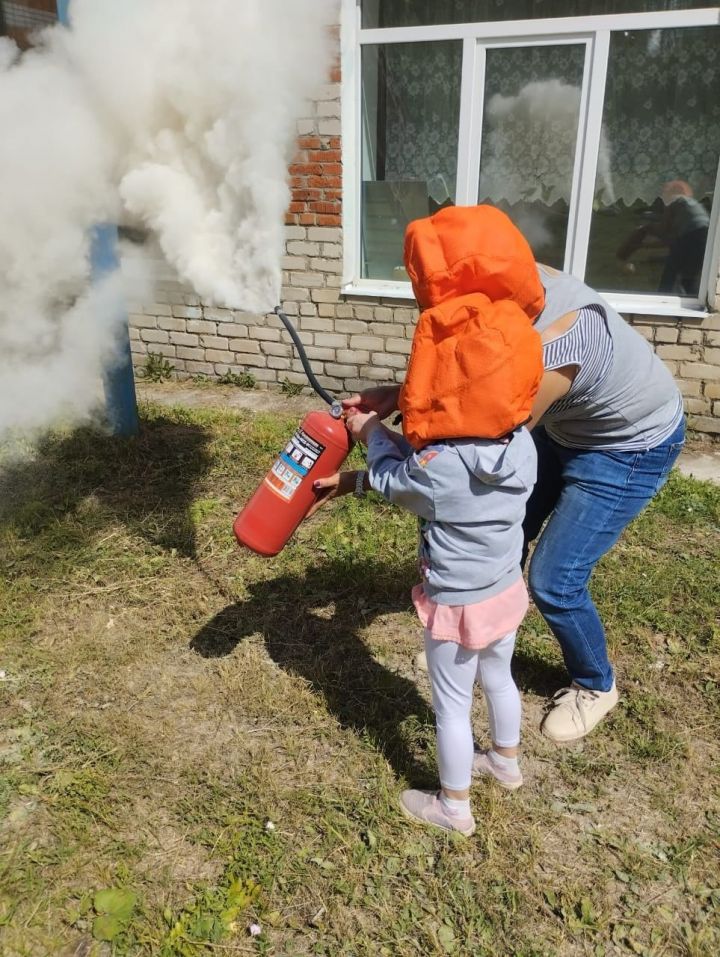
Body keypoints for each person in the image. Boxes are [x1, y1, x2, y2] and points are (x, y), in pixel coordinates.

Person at [314, 204, 686, 744]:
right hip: (559, 426)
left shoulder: (556, 342)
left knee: (554, 580)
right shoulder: (512, 282)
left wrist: (374, 439)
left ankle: (595, 683)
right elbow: (467, 379)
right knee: (502, 545)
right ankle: (479, 643)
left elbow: (467, 451)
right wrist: (395, 395)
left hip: (626, 446)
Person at [333, 207, 543, 835]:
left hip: (456, 601)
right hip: (505, 589)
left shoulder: (441, 469)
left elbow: (396, 480)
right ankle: (505, 763)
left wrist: (372, 431)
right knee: (499, 677)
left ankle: (453, 806)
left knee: (450, 705)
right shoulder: (521, 443)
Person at [616, 180, 710, 296]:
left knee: (670, 273)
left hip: (693, 237)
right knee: (688, 279)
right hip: (705, 239)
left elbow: (663, 229)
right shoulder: (691, 206)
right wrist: (643, 246)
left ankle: (663, 298)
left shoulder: (675, 200)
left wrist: (645, 230)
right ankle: (690, 307)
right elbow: (672, 240)